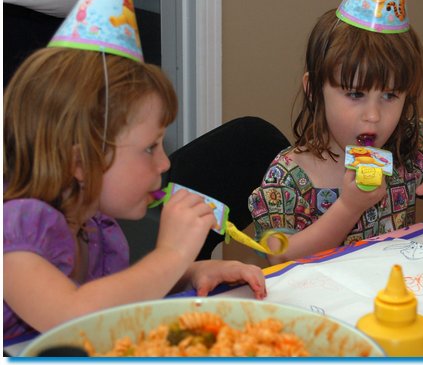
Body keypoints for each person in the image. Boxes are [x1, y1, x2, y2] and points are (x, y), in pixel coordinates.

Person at [3, 48, 267, 342]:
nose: (165, 164)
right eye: (150, 148)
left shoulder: (93, 225)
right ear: (80, 163)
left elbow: (114, 298)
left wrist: (192, 272)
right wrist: (172, 254)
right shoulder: (15, 232)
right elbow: (75, 316)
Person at [248, 8, 423, 265]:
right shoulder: (285, 178)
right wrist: (348, 208)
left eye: (389, 95)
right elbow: (280, 257)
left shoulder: (408, 146)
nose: (373, 115)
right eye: (355, 94)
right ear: (314, 91)